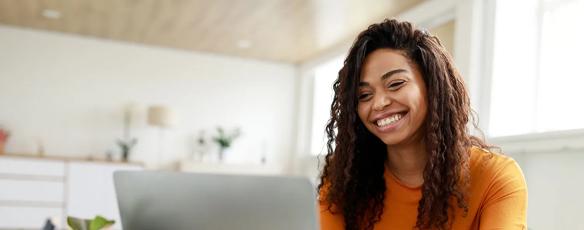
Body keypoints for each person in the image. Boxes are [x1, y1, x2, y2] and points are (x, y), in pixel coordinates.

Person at [318, 19, 527, 230]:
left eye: (396, 84)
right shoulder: (343, 186)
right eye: (364, 95)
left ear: (432, 86)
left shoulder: (495, 178)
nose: (379, 103)